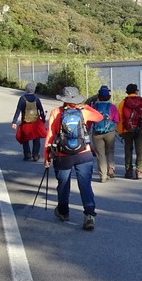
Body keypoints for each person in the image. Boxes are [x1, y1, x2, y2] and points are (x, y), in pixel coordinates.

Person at [44, 86, 104, 230]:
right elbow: (99, 117)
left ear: (63, 100)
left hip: (63, 155)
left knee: (63, 185)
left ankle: (63, 212)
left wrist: (47, 155)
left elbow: (50, 135)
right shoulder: (83, 112)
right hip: (84, 153)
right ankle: (89, 215)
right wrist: (86, 107)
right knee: (85, 185)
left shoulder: (56, 112)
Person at [117, 83, 142, 179]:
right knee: (140, 151)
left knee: (128, 150)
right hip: (140, 129)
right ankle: (139, 171)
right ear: (136, 91)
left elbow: (120, 118)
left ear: (127, 92)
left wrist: (120, 131)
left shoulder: (123, 103)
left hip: (127, 129)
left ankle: (128, 171)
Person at [90, 85, 119, 183]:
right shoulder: (112, 107)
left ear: (98, 96)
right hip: (110, 132)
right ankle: (110, 169)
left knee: (100, 155)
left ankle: (103, 176)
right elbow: (117, 120)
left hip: (97, 133)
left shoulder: (94, 107)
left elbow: (90, 121)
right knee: (110, 151)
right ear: (109, 97)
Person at [11, 82, 46, 161]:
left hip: (26, 122)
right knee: (36, 138)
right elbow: (41, 110)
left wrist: (14, 122)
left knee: (25, 138)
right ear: (34, 90)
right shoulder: (36, 99)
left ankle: (27, 154)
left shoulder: (22, 99)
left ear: (26, 90)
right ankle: (35, 155)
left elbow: (18, 111)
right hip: (36, 122)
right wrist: (43, 120)